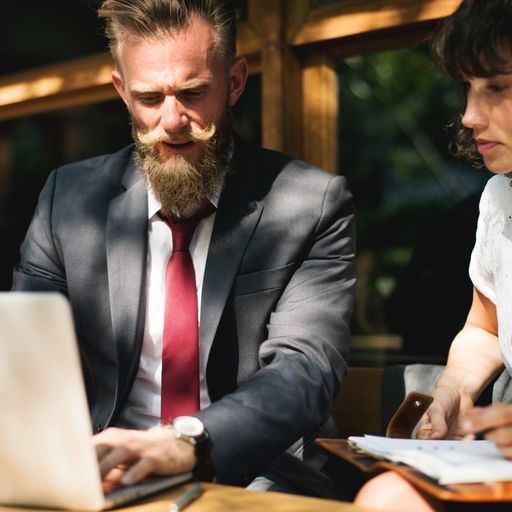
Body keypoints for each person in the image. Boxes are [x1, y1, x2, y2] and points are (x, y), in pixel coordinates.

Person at [12, 0, 356, 499]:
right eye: (149, 98)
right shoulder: (68, 199)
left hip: (255, 472)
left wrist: (184, 441)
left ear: (235, 82)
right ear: (121, 92)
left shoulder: (312, 203)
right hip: (108, 470)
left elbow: (304, 372)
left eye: (193, 93)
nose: (172, 120)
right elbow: (26, 360)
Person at [355, 0, 512, 510]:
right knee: (386, 496)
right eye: (467, 88)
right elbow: (485, 329)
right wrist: (451, 390)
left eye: (497, 87)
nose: (468, 115)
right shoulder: (500, 199)